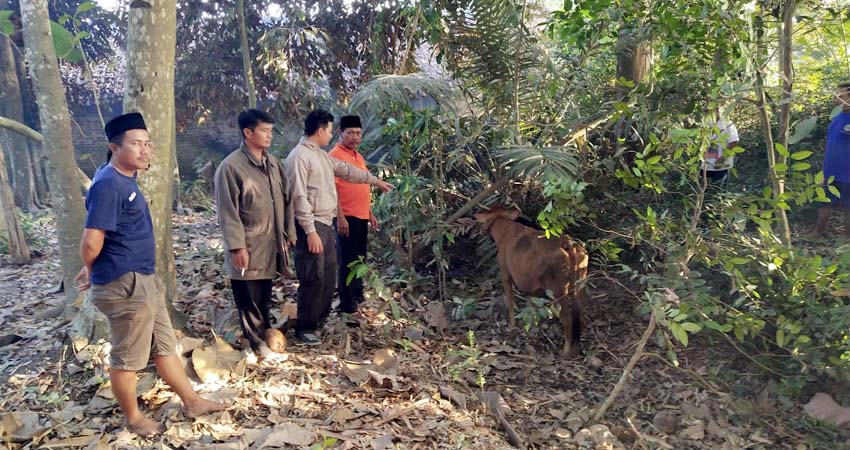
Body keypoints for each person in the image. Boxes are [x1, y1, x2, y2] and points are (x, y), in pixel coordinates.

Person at [76, 113, 226, 436]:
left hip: (143, 280)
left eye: (147, 143)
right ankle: (132, 417)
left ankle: (192, 400)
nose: (145, 150)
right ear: (114, 147)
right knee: (127, 357)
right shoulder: (108, 184)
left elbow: (106, 236)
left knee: (163, 347)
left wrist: (95, 265)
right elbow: (91, 239)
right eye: (136, 144)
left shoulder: (122, 178)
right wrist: (92, 269)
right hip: (126, 285)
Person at [284, 110, 392, 345]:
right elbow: (299, 196)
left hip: (325, 222)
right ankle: (305, 326)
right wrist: (310, 231)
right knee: (312, 275)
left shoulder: (321, 156)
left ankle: (319, 320)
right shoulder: (299, 157)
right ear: (321, 130)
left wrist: (374, 181)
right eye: (331, 131)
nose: (331, 135)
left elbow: (347, 171)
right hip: (310, 225)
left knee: (329, 272)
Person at [214, 109, 295, 358]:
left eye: (271, 131)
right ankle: (257, 342)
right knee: (247, 298)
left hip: (270, 243)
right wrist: (237, 247)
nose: (269, 135)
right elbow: (228, 212)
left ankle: (266, 334)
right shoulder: (231, 168)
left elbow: (286, 199)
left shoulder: (272, 164)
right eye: (264, 130)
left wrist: (289, 232)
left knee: (263, 292)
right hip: (248, 245)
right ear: (247, 132)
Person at [329, 115, 378, 316]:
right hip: (346, 217)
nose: (355, 137)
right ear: (341, 134)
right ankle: (347, 304)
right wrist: (339, 216)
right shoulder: (334, 155)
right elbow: (331, 189)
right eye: (350, 133)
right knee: (347, 260)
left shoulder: (357, 156)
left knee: (360, 257)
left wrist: (370, 213)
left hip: (361, 216)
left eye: (358, 133)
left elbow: (362, 184)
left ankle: (357, 295)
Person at [812, 82, 850, 238]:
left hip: (848, 173)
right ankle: (817, 232)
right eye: (836, 96)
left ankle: (847, 238)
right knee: (825, 202)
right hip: (831, 171)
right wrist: (825, 169)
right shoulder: (837, 117)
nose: (837, 99)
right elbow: (831, 145)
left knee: (849, 206)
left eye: (841, 96)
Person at [702, 115, 739, 187]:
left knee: (718, 191)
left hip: (720, 167)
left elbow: (734, 142)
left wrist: (722, 159)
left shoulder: (727, 123)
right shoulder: (705, 122)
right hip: (704, 166)